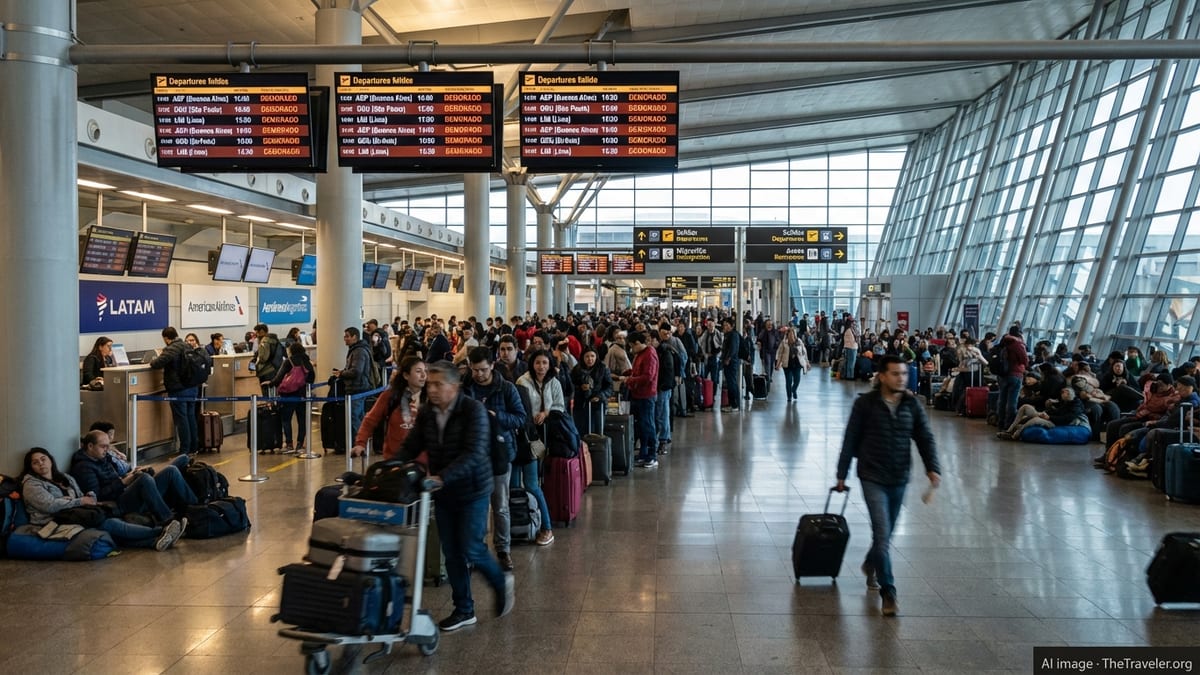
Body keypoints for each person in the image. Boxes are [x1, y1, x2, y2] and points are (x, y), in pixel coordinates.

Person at [395, 361, 514, 632]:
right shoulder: (427, 412)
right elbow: (412, 445)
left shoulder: (474, 411)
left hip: (473, 490)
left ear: (455, 386)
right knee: (451, 553)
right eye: (430, 384)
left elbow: (474, 453)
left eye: (439, 384)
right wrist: (393, 465)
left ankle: (500, 581)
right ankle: (464, 609)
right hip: (443, 492)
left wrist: (442, 477)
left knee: (471, 547)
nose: (432, 389)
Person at [835, 355, 941, 617]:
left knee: (886, 535)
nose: (901, 378)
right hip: (872, 476)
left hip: (899, 476)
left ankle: (872, 563)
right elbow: (850, 438)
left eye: (904, 374)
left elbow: (924, 437)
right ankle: (889, 591)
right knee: (882, 533)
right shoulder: (865, 404)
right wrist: (841, 473)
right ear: (882, 376)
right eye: (895, 374)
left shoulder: (912, 405)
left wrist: (932, 467)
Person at [21, 447, 184, 551]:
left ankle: (156, 540)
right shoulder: (31, 485)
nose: (41, 464)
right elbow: (49, 505)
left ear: (50, 459)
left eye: (43, 459)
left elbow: (80, 495)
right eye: (36, 463)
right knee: (110, 525)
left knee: (111, 525)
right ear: (31, 468)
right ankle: (161, 531)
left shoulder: (64, 477)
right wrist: (79, 502)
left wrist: (89, 497)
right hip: (57, 519)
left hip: (78, 513)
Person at [463, 347, 528, 573]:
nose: (478, 374)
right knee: (477, 507)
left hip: (500, 452)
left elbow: (520, 418)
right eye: (474, 370)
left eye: (482, 369)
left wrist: (496, 417)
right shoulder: (465, 388)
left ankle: (503, 549)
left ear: (492, 365)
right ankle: (477, 551)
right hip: (473, 454)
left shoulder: (506, 388)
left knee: (500, 506)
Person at [71, 430, 198, 525]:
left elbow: (116, 476)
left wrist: (131, 474)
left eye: (108, 446)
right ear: (90, 446)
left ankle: (196, 508)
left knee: (171, 470)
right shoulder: (84, 468)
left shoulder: (103, 458)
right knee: (145, 479)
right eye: (103, 446)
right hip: (118, 503)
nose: (106, 450)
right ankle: (167, 519)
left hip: (125, 492)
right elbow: (96, 496)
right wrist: (124, 482)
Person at [352, 356, 426, 460]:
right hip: (394, 459)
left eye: (425, 371)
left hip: (421, 463)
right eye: (418, 371)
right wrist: (360, 443)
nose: (423, 375)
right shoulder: (390, 396)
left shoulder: (430, 398)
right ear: (406, 375)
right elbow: (370, 420)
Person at [149, 326, 200, 456]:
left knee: (182, 419)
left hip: (179, 389)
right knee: (191, 417)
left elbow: (156, 364)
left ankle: (185, 450)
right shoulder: (187, 346)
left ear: (166, 338)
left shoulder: (172, 348)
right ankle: (194, 447)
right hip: (192, 387)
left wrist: (154, 359)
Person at [621, 332, 660, 468]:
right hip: (637, 394)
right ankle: (643, 453)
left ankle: (652, 455)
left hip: (646, 396)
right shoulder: (640, 354)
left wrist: (630, 380)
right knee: (641, 426)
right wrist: (628, 373)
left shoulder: (649, 354)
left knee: (648, 425)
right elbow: (637, 371)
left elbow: (648, 377)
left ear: (638, 343)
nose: (631, 350)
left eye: (632, 346)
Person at [271, 342, 316, 453]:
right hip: (303, 395)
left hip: (288, 395)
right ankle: (300, 444)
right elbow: (312, 376)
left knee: (286, 419)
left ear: (291, 351)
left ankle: (289, 444)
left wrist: (271, 383)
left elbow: (279, 377)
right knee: (302, 420)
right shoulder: (306, 361)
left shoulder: (288, 361)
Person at [334, 326, 374, 440]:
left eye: (347, 336)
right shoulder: (357, 349)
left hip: (358, 387)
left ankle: (359, 441)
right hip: (359, 386)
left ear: (354, 337)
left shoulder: (359, 351)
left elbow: (356, 371)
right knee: (359, 415)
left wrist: (342, 374)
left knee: (354, 416)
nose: (345, 339)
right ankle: (363, 438)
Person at [571, 348, 613, 436]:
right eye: (587, 356)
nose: (590, 359)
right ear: (583, 357)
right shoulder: (576, 369)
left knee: (597, 433)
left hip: (598, 406)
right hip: (581, 406)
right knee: (582, 433)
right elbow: (571, 386)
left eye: (592, 356)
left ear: (596, 357)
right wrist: (580, 387)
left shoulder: (603, 368)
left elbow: (609, 387)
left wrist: (599, 396)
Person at [995, 326, 1029, 430]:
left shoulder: (1003, 342)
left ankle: (1000, 421)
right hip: (1015, 374)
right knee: (1012, 401)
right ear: (1019, 333)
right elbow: (1025, 360)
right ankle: (1009, 424)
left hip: (1001, 374)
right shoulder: (1018, 344)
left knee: (1002, 399)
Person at [775, 326, 810, 401]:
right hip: (787, 365)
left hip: (797, 364)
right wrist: (778, 364)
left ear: (795, 334)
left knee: (797, 380)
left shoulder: (799, 342)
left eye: (793, 334)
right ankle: (789, 396)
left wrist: (807, 362)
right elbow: (780, 354)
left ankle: (794, 390)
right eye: (790, 334)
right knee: (789, 380)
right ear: (787, 335)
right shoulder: (784, 343)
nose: (791, 336)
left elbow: (804, 353)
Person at [719, 318, 741, 412]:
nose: (726, 327)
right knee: (730, 382)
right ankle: (731, 403)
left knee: (732, 383)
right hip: (727, 362)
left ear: (732, 326)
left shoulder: (734, 335)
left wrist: (728, 358)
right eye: (724, 325)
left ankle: (734, 405)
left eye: (727, 325)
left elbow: (733, 348)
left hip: (732, 362)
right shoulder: (728, 335)